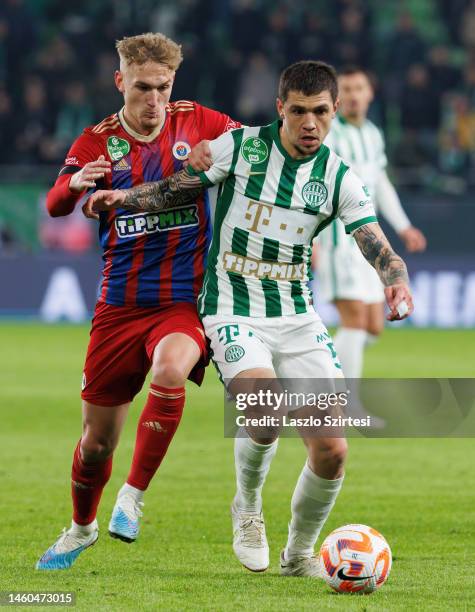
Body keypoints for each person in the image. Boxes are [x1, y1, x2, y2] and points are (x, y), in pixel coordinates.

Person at [85, 60, 413, 577]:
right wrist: (124, 196)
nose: (310, 124)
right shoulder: (240, 148)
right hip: (233, 310)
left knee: (332, 450)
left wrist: (395, 277)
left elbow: (372, 239)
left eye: (321, 113)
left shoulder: (337, 176)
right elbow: (177, 188)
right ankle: (248, 508)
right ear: (280, 108)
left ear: (332, 114)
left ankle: (300, 554)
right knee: (266, 410)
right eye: (299, 111)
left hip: (297, 316)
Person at [36, 32, 239, 571]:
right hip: (119, 307)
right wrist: (75, 183)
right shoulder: (97, 140)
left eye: (163, 88)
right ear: (120, 81)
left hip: (180, 301)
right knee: (96, 442)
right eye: (143, 88)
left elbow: (259, 148)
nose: (154, 100)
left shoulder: (199, 121)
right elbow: (57, 204)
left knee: (172, 371)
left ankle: (133, 496)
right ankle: (81, 528)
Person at [316, 66, 425, 417]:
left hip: (370, 245)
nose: (352, 95)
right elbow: (314, 187)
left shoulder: (374, 134)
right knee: (354, 321)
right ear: (336, 98)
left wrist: (404, 226)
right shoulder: (329, 135)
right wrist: (314, 239)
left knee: (373, 326)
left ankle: (313, 371)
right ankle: (347, 405)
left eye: (358, 88)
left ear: (369, 93)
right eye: (345, 89)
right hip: (337, 241)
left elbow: (380, 184)